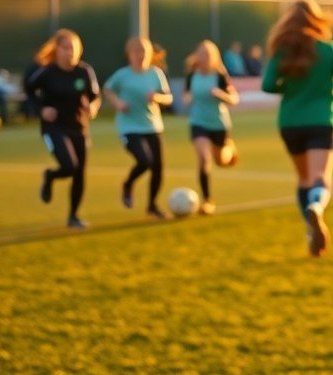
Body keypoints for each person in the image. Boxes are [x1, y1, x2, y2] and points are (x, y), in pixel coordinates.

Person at [261, 0, 333, 257]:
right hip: (322, 120)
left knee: (303, 178)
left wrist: (289, 87)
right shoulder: (328, 49)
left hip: (290, 121)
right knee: (320, 178)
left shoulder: (283, 51)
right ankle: (317, 208)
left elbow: (268, 85)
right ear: (318, 19)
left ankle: (310, 229)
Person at [24, 29, 101, 229]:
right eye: (66, 48)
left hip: (79, 127)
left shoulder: (84, 72)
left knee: (79, 173)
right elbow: (29, 91)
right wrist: (42, 110)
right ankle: (50, 176)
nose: (70, 53)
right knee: (69, 166)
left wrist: (91, 107)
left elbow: (95, 97)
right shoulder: (47, 73)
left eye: (74, 48)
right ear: (57, 50)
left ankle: (73, 216)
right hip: (54, 128)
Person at [103, 37, 174, 220]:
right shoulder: (122, 75)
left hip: (152, 125)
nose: (140, 55)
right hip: (129, 127)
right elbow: (108, 89)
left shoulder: (156, 74)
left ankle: (152, 206)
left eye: (143, 51)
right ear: (129, 54)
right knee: (144, 160)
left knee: (158, 168)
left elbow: (168, 98)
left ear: (150, 54)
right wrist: (118, 103)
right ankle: (128, 183)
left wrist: (157, 97)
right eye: (136, 51)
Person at [182, 39, 240, 216]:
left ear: (214, 57)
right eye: (201, 53)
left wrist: (220, 94)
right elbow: (185, 96)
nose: (204, 57)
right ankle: (208, 201)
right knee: (204, 160)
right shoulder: (192, 76)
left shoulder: (220, 76)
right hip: (198, 123)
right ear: (197, 56)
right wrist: (188, 99)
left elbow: (234, 99)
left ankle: (229, 150)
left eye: (207, 54)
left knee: (221, 161)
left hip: (219, 124)